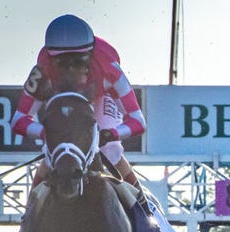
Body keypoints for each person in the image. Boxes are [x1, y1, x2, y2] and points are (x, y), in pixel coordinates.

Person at [12, 14, 146, 191]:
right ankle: (31, 205)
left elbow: (138, 121)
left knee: (110, 150)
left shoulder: (110, 70)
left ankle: (143, 203)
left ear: (90, 56)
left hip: (100, 97)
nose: (70, 69)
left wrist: (111, 134)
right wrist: (47, 133)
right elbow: (18, 120)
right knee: (51, 152)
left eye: (78, 61)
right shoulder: (41, 72)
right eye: (62, 63)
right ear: (51, 59)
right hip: (63, 100)